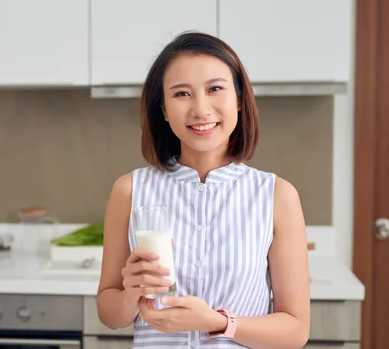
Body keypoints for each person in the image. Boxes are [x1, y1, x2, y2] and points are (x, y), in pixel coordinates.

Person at [96, 31, 310, 349]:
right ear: (164, 109)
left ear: (238, 99)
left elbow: (295, 331)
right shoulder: (130, 191)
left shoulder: (276, 196)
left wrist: (218, 323)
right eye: (182, 94)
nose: (201, 109)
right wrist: (130, 292)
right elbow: (109, 314)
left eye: (215, 89)